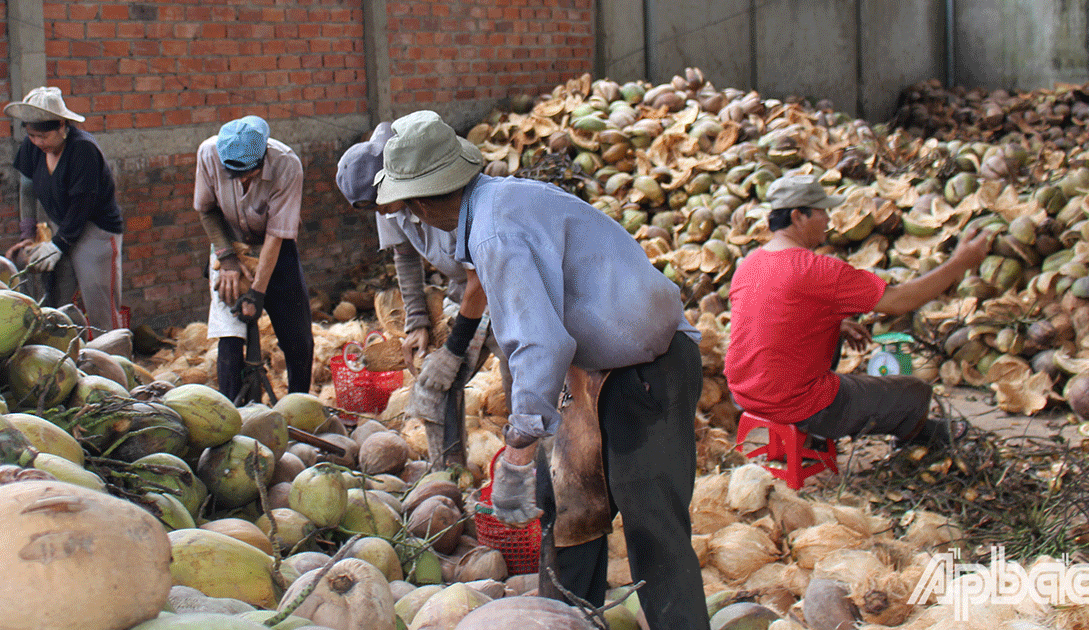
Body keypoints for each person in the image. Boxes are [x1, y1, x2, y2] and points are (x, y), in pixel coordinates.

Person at [376, 114, 707, 630]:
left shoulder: (494, 232)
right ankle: (568, 621)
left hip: (647, 371)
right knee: (571, 514)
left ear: (420, 204)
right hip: (596, 372)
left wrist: (518, 448)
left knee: (654, 532)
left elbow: (540, 343)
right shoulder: (498, 202)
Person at [725, 173, 992, 448]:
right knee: (916, 392)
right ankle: (913, 436)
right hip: (796, 404)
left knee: (833, 332)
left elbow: (767, 318)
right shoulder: (818, 269)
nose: (828, 220)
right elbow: (899, 301)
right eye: (822, 211)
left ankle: (809, 440)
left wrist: (836, 324)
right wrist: (960, 263)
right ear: (798, 216)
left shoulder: (749, 264)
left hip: (744, 395)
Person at [334, 115, 498, 467]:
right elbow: (405, 257)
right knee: (437, 383)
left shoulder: (440, 196)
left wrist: (453, 350)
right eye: (372, 209)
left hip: (497, 284)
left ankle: (528, 463)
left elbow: (481, 279)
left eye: (380, 202)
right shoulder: (387, 207)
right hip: (464, 287)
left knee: (518, 374)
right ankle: (448, 469)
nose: (380, 212)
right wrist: (417, 322)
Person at [194, 115, 313, 402]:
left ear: (263, 157)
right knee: (230, 335)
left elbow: (277, 234)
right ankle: (232, 410)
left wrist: (257, 293)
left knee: (297, 338)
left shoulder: (287, 164)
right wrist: (227, 261)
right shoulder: (208, 154)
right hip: (229, 245)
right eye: (234, 174)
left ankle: (298, 406)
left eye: (249, 173)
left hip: (274, 246)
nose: (243, 180)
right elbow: (207, 210)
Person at [3, 86, 124, 332]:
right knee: (58, 300)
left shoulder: (83, 149)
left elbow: (82, 205)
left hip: (95, 229)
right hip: (62, 224)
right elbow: (27, 189)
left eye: (44, 136)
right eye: (32, 136)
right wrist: (28, 234)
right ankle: (68, 352)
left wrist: (58, 245)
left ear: (61, 126)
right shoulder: (32, 147)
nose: (38, 142)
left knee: (98, 303)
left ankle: (111, 351)